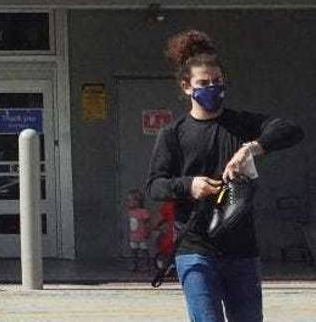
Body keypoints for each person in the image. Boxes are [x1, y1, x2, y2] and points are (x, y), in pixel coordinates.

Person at [146, 30, 304, 322]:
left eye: (217, 82)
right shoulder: (173, 134)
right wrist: (190, 185)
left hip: (241, 248)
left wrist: (253, 148)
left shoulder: (240, 124)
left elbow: (291, 129)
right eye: (204, 83)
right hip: (195, 247)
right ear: (186, 87)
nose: (212, 88)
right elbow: (155, 186)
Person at [125, 188, 154, 271]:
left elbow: (147, 222)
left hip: (142, 235)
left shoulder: (142, 211)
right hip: (133, 236)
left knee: (144, 250)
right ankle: (135, 265)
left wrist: (147, 231)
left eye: (129, 200)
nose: (127, 203)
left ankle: (146, 265)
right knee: (134, 251)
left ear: (137, 201)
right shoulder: (130, 212)